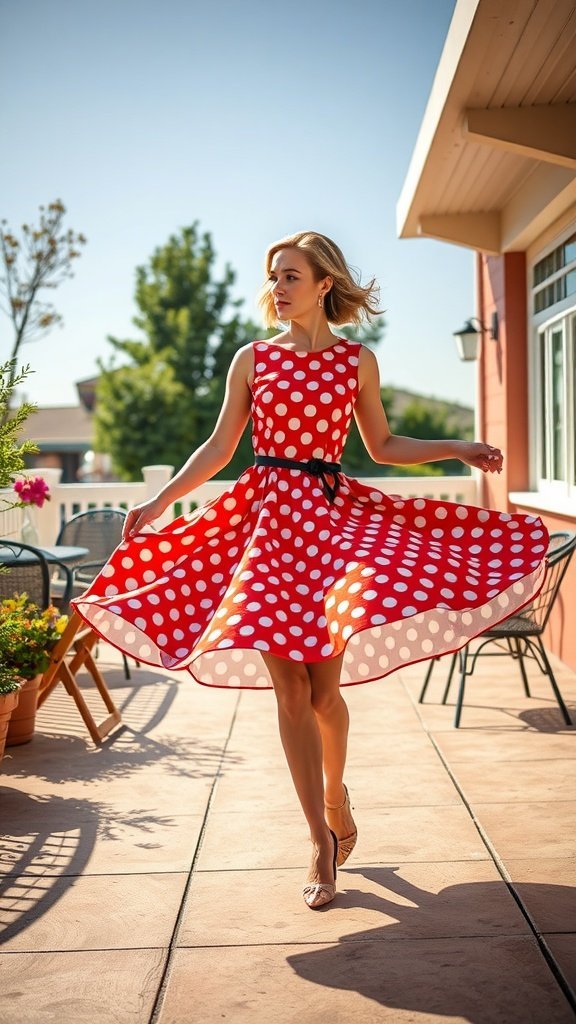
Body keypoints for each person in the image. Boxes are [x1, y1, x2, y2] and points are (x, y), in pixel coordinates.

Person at [72, 230, 549, 910]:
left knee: (325, 697)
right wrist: (160, 498)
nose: (279, 286)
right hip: (265, 529)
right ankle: (319, 843)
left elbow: (381, 446)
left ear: (324, 283)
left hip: (327, 529)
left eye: (291, 275)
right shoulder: (253, 358)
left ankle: (336, 800)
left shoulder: (357, 361)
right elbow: (219, 447)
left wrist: (458, 446)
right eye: (274, 275)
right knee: (289, 694)